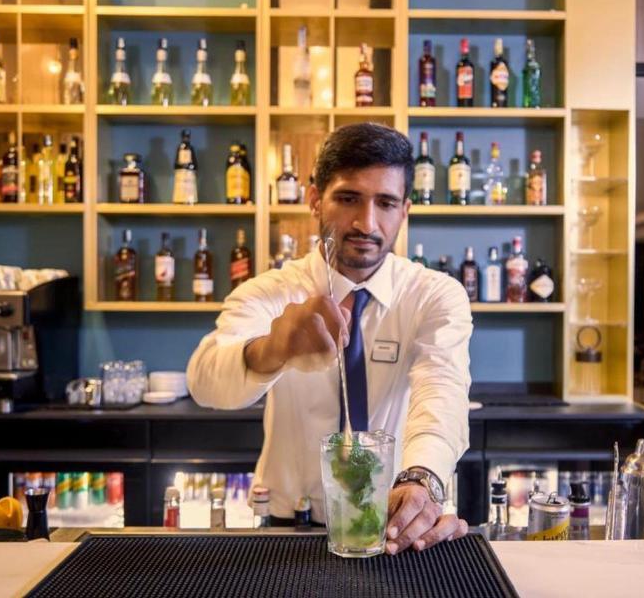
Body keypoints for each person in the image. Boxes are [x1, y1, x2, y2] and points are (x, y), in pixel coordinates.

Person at [187, 123, 472, 554]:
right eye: (348, 198)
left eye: (386, 203)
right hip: (286, 528)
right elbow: (205, 381)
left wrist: (421, 476)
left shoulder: (434, 295)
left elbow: (443, 391)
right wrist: (274, 349)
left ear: (405, 210)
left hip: (392, 525)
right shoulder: (272, 292)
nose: (366, 222)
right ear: (315, 199)